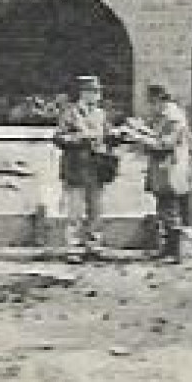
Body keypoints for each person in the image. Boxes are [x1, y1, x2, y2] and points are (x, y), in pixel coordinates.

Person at [52, 74, 114, 260]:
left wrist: (115, 137)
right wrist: (80, 139)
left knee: (96, 209)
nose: (97, 95)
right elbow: (58, 137)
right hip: (76, 167)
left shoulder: (100, 114)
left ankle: (94, 246)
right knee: (75, 210)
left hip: (96, 168)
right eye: (93, 91)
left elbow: (107, 135)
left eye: (98, 91)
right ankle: (73, 248)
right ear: (83, 93)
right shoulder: (70, 112)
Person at [136, 83, 192, 263]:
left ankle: (174, 253)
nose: (151, 107)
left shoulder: (173, 118)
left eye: (153, 103)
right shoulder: (163, 116)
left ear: (161, 100)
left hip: (171, 169)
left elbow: (166, 144)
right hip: (163, 169)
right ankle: (166, 249)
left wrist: (140, 138)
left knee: (170, 211)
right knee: (163, 209)